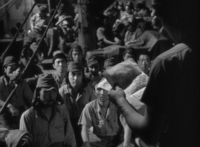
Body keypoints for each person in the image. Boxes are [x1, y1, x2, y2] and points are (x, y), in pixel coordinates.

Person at [108, 0, 200, 147]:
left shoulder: (167, 62)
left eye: (162, 21)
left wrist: (120, 101)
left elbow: (150, 134)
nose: (162, 30)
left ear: (175, 17)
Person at [19, 74, 76, 147]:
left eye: (53, 91)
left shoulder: (62, 111)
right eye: (46, 92)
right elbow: (24, 144)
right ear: (38, 93)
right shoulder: (28, 116)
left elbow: (70, 138)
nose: (51, 96)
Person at [78, 78, 132, 147]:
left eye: (105, 89)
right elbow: (84, 128)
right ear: (94, 92)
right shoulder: (89, 107)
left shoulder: (118, 105)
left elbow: (127, 126)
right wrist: (87, 144)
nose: (102, 93)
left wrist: (126, 144)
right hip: (99, 141)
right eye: (99, 90)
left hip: (117, 140)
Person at [59, 62, 96, 146]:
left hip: (85, 127)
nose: (76, 78)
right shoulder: (61, 92)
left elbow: (95, 111)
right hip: (67, 128)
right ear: (68, 75)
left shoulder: (89, 91)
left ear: (82, 76)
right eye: (73, 74)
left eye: (79, 74)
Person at [0, 56, 33, 126]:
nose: (13, 71)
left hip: (19, 111)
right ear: (5, 70)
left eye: (15, 68)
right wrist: (9, 106)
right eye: (11, 68)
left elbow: (31, 99)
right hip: (5, 112)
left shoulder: (22, 83)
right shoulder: (1, 82)